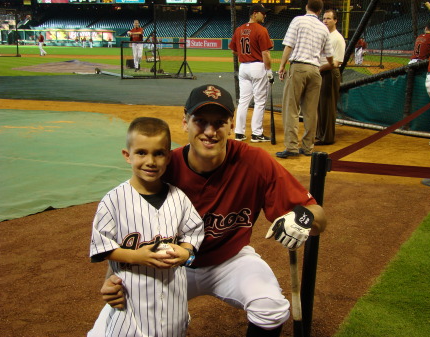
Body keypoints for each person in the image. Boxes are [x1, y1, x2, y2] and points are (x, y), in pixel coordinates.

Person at [90, 84, 327, 336]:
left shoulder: (254, 162)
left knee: (271, 307)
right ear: (185, 122)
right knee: (104, 330)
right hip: (172, 266)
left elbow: (318, 215)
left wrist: (302, 218)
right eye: (200, 121)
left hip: (230, 261)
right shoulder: (163, 166)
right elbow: (129, 231)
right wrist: (112, 279)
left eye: (219, 122)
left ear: (231, 124)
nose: (210, 131)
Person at [89, 117, 205, 336]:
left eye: (158, 153)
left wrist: (186, 251)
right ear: (127, 155)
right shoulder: (114, 200)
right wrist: (136, 257)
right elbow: (101, 246)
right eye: (141, 152)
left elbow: (194, 231)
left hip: (173, 300)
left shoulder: (178, 197)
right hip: (131, 302)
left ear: (169, 156)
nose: (150, 161)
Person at [276, 0, 334, 159]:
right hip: (315, 71)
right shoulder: (324, 28)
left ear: (307, 7)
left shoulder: (298, 20)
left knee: (291, 109)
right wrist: (332, 64)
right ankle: (308, 148)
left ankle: (292, 147)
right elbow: (329, 55)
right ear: (320, 11)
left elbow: (289, 45)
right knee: (311, 111)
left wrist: (282, 66)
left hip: (299, 67)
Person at [229, 4, 274, 143]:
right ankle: (257, 134)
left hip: (243, 68)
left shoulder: (239, 29)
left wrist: (243, 54)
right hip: (257, 67)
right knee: (260, 102)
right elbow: (265, 53)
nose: (264, 15)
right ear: (255, 14)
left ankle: (239, 133)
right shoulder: (261, 30)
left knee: (243, 101)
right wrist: (269, 70)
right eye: (262, 13)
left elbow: (233, 50)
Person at [315, 9, 346, 145]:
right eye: (324, 18)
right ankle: (320, 134)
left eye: (329, 18)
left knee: (328, 106)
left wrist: (319, 68)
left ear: (335, 20)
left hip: (330, 73)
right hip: (322, 72)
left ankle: (327, 138)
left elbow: (336, 62)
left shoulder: (337, 38)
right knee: (320, 105)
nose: (326, 21)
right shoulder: (325, 35)